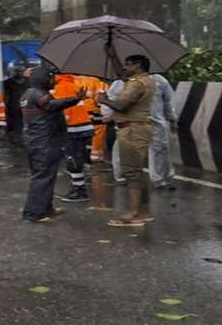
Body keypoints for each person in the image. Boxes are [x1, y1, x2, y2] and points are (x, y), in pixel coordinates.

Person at [97, 53, 157, 227]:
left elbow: (122, 105)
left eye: (128, 64)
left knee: (131, 172)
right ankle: (143, 211)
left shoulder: (137, 84)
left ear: (137, 66)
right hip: (138, 128)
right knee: (137, 171)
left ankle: (134, 214)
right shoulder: (144, 80)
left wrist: (104, 100)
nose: (124, 68)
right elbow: (123, 76)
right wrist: (112, 54)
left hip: (132, 130)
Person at [21, 65, 87, 223]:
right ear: (42, 79)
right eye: (50, 77)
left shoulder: (28, 93)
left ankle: (46, 208)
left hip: (39, 141)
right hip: (44, 142)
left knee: (47, 177)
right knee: (42, 177)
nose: (54, 80)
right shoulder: (39, 94)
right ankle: (33, 213)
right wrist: (76, 99)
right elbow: (52, 105)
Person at [55, 74, 97, 202]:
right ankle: (79, 188)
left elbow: (64, 110)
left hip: (72, 128)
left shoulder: (61, 87)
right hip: (84, 127)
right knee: (77, 159)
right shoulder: (73, 84)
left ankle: (79, 190)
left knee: (72, 160)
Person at [149, 72, 178, 189]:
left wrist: (172, 119)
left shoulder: (159, 80)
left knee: (160, 148)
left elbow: (168, 102)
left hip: (155, 121)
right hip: (134, 121)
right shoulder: (126, 82)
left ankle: (161, 178)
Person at [2, 62, 29, 143]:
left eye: (20, 71)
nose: (18, 72)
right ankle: (14, 140)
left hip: (26, 110)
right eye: (16, 71)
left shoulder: (29, 83)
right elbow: (5, 96)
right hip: (12, 110)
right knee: (13, 128)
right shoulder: (7, 83)